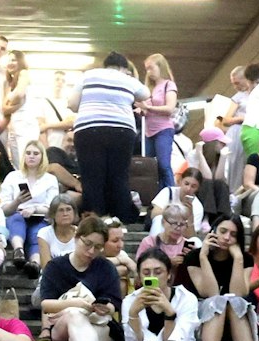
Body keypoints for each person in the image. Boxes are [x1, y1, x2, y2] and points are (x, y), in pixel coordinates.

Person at [37, 212, 123, 341]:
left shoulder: (105, 267)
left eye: (98, 247)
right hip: (62, 325)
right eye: (87, 244)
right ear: (77, 237)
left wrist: (104, 307)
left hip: (99, 326)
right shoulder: (56, 266)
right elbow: (46, 304)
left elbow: (115, 303)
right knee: (75, 315)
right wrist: (74, 303)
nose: (91, 251)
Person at [183, 215, 259, 341]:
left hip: (235, 318)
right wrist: (204, 257)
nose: (227, 237)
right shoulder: (194, 257)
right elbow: (209, 292)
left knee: (236, 302)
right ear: (213, 231)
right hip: (204, 315)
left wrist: (238, 259)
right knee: (218, 301)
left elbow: (239, 293)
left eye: (233, 234)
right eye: (223, 231)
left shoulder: (245, 258)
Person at [68, 54, 148, 221]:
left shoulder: (87, 75)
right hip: (122, 131)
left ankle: (94, 221)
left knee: (91, 178)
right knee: (119, 177)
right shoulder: (127, 79)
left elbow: (72, 104)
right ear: (123, 68)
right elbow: (145, 94)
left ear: (105, 65)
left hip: (89, 129)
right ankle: (121, 220)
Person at [0, 140, 60, 272]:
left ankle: (35, 263)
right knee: (16, 219)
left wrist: (35, 209)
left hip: (40, 217)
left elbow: (52, 208)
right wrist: (17, 202)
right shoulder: (13, 177)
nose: (31, 156)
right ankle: (18, 251)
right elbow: (4, 209)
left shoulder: (50, 179)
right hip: (16, 214)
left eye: (36, 154)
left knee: (38, 231)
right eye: (28, 153)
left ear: (42, 157)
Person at [140, 54, 180, 182]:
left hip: (163, 129)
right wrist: (141, 110)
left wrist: (148, 108)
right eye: (147, 69)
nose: (149, 72)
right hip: (149, 132)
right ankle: (153, 191)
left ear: (160, 66)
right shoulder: (149, 89)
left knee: (163, 165)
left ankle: (169, 190)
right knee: (149, 167)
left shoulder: (169, 85)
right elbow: (145, 110)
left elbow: (169, 109)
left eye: (151, 68)